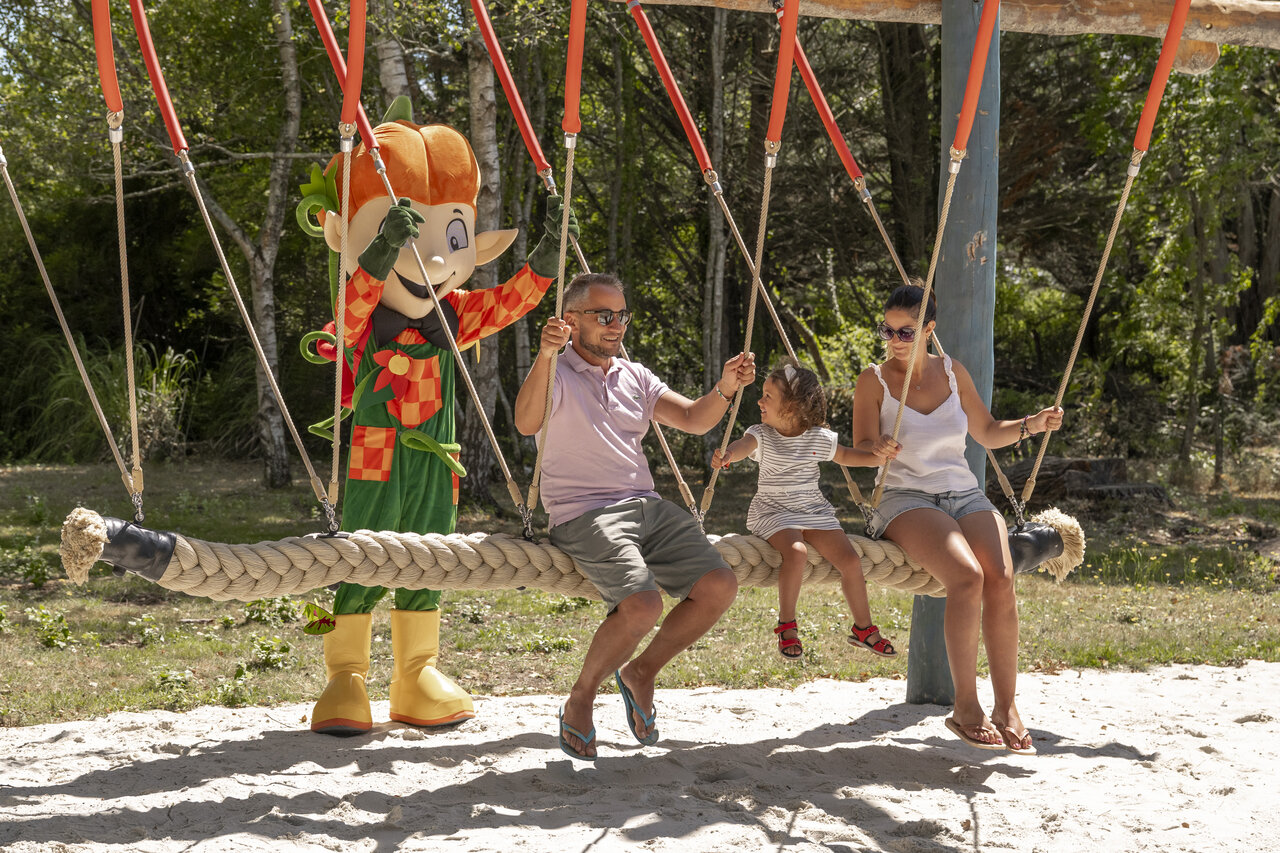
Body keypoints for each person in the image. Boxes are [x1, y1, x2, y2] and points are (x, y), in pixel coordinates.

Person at [514, 272, 754, 761]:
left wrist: (726, 388)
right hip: (585, 513)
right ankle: (581, 697)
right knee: (643, 605)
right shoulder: (555, 373)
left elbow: (692, 419)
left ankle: (640, 673)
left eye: (621, 314)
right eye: (603, 315)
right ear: (572, 320)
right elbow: (525, 423)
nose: (616, 325)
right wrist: (544, 355)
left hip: (646, 505)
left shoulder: (634, 374)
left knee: (719, 586)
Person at [851, 282, 1062, 755]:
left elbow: (986, 431)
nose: (892, 340)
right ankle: (965, 706)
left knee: (1001, 578)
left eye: (905, 332)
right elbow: (859, 449)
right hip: (906, 499)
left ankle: (1007, 706)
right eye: (886, 330)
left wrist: (1033, 423)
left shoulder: (953, 372)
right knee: (966, 577)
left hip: (963, 493)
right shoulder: (874, 380)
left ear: (928, 329)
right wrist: (876, 450)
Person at [710, 359, 894, 661]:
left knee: (850, 559)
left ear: (793, 409)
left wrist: (877, 459)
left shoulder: (817, 438)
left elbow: (848, 456)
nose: (760, 400)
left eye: (768, 396)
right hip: (774, 511)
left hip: (813, 510)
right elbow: (744, 445)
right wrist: (729, 455)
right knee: (796, 552)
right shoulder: (762, 434)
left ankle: (863, 628)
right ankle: (787, 624)